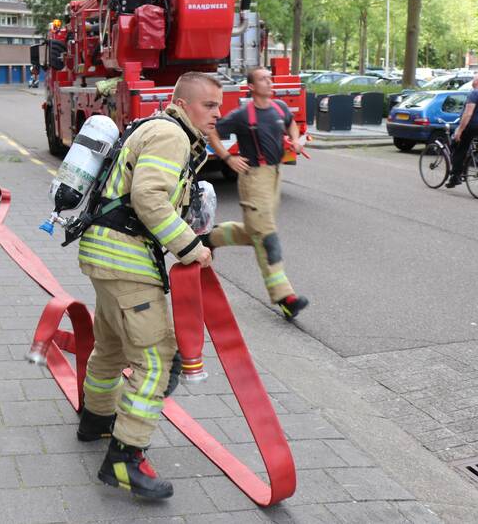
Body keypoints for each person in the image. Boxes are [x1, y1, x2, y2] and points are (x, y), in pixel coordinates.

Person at [76, 72, 220, 500]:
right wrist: (190, 247)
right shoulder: (171, 136)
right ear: (185, 103)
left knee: (111, 346)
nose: (217, 113)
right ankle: (125, 459)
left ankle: (96, 419)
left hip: (103, 254)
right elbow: (150, 198)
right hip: (127, 262)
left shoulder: (152, 126)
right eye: (210, 105)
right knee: (156, 359)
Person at [204, 68, 309, 320]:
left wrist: (296, 140)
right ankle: (285, 297)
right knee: (267, 237)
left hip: (274, 176)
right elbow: (212, 131)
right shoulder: (242, 115)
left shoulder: (280, 107)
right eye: (263, 79)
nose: (269, 82)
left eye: (269, 78)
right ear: (250, 86)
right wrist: (228, 157)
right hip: (254, 180)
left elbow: (292, 125)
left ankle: (210, 238)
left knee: (256, 233)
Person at [446, 72, 478, 188]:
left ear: (477, 82)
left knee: (457, 146)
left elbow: (468, 114)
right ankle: (465, 162)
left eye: (473, 79)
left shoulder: (475, 93)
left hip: (472, 126)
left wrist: (460, 131)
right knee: (465, 145)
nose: (472, 81)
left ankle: (455, 177)